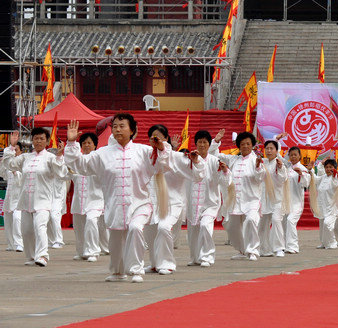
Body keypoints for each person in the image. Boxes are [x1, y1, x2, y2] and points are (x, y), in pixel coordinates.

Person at [64, 115, 172, 282]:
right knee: (116, 241)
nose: (118, 129)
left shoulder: (143, 151)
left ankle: (136, 270)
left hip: (140, 203)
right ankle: (117, 272)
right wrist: (71, 143)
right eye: (115, 126)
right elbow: (80, 165)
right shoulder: (102, 153)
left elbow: (162, 166)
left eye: (122, 126)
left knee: (136, 228)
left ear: (132, 130)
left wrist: (161, 149)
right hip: (114, 204)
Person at [144, 124, 207, 275]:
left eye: (160, 137)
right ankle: (154, 263)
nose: (156, 140)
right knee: (151, 234)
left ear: (166, 139)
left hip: (172, 203)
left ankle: (167, 263)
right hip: (152, 202)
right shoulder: (146, 157)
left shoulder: (177, 158)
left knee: (164, 228)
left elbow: (198, 175)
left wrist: (196, 161)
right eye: (153, 137)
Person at [2, 127, 65, 266]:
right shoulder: (25, 157)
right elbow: (9, 164)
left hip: (43, 201)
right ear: (32, 140)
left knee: (39, 226)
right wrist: (11, 147)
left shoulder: (50, 158)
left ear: (47, 141)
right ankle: (31, 257)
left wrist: (59, 157)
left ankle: (43, 255)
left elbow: (61, 173)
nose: (38, 141)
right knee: (26, 231)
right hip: (25, 201)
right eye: (36, 138)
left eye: (42, 139)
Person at [216, 132, 267, 261]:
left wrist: (257, 167)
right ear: (238, 145)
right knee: (231, 225)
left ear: (252, 145)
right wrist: (216, 142)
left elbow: (260, 177)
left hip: (252, 200)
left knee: (250, 220)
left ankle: (253, 250)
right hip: (235, 200)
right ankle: (242, 250)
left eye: (248, 144)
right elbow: (215, 156)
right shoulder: (234, 159)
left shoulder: (256, 160)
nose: (245, 146)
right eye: (242, 144)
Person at [185, 130, 229, 267]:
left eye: (205, 142)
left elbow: (225, 181)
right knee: (193, 232)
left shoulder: (215, 161)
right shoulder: (189, 159)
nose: (202, 145)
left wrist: (225, 171)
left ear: (209, 145)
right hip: (193, 202)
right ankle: (195, 257)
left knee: (205, 225)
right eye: (200, 142)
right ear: (196, 143)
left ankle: (207, 256)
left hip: (210, 202)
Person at [68, 132, 105, 262]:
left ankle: (93, 251)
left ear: (95, 145)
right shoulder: (77, 162)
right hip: (78, 200)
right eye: (84, 143)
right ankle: (81, 251)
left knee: (91, 221)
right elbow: (66, 173)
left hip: (95, 199)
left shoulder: (99, 160)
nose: (87, 145)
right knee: (79, 227)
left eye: (89, 143)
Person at [258, 140, 289, 257]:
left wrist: (280, 168)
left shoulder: (279, 163)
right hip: (264, 199)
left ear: (277, 151)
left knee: (276, 220)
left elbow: (283, 179)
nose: (269, 151)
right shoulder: (262, 162)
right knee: (262, 224)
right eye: (267, 148)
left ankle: (279, 248)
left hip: (277, 199)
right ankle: (263, 249)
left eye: (272, 148)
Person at [281, 146, 311, 254]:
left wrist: (301, 174)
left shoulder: (302, 168)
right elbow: (278, 156)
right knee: (284, 222)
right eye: (291, 155)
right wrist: (277, 141)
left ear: (300, 156)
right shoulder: (287, 167)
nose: (293, 157)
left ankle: (293, 246)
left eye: (295, 155)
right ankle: (284, 245)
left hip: (297, 202)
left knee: (290, 221)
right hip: (286, 201)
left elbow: (306, 184)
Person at [1, 143, 25, 253]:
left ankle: (19, 243)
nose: (15, 152)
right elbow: (3, 175)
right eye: (13, 150)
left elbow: (23, 179)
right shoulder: (9, 165)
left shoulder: (23, 162)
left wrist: (16, 173)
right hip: (9, 196)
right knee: (8, 220)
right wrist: (2, 163)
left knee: (17, 218)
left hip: (19, 197)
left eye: (17, 150)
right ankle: (10, 244)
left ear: (20, 151)